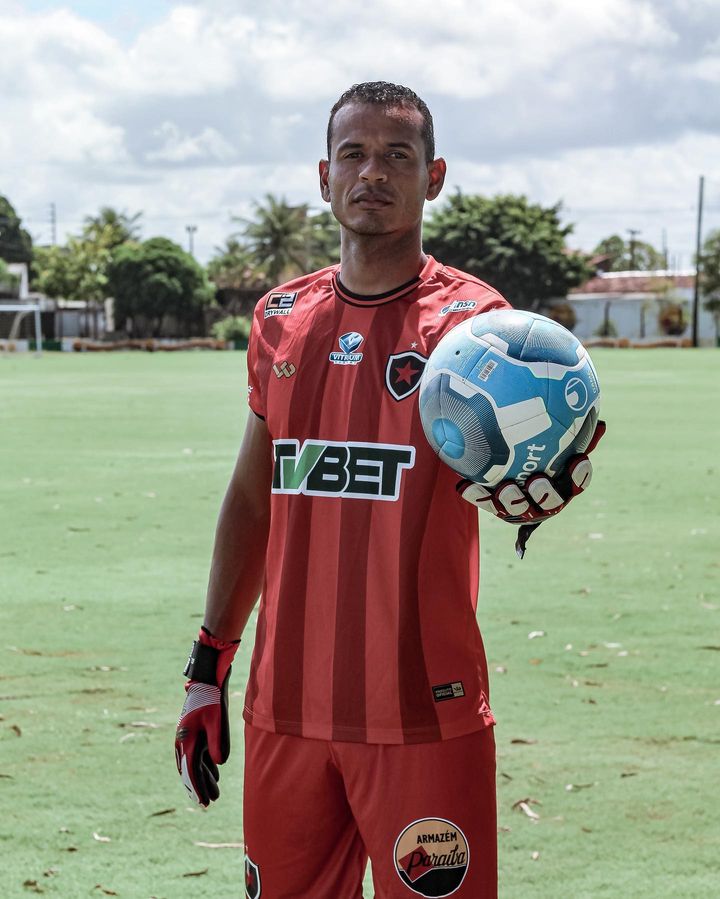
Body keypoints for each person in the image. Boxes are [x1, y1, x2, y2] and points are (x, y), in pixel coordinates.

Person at [175, 81, 604, 899]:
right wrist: (209, 662)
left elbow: (538, 452)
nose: (373, 172)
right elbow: (253, 499)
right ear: (323, 175)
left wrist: (545, 483)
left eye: (397, 156)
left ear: (433, 176)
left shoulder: (478, 328)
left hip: (422, 714)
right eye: (354, 154)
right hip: (286, 712)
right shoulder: (279, 318)